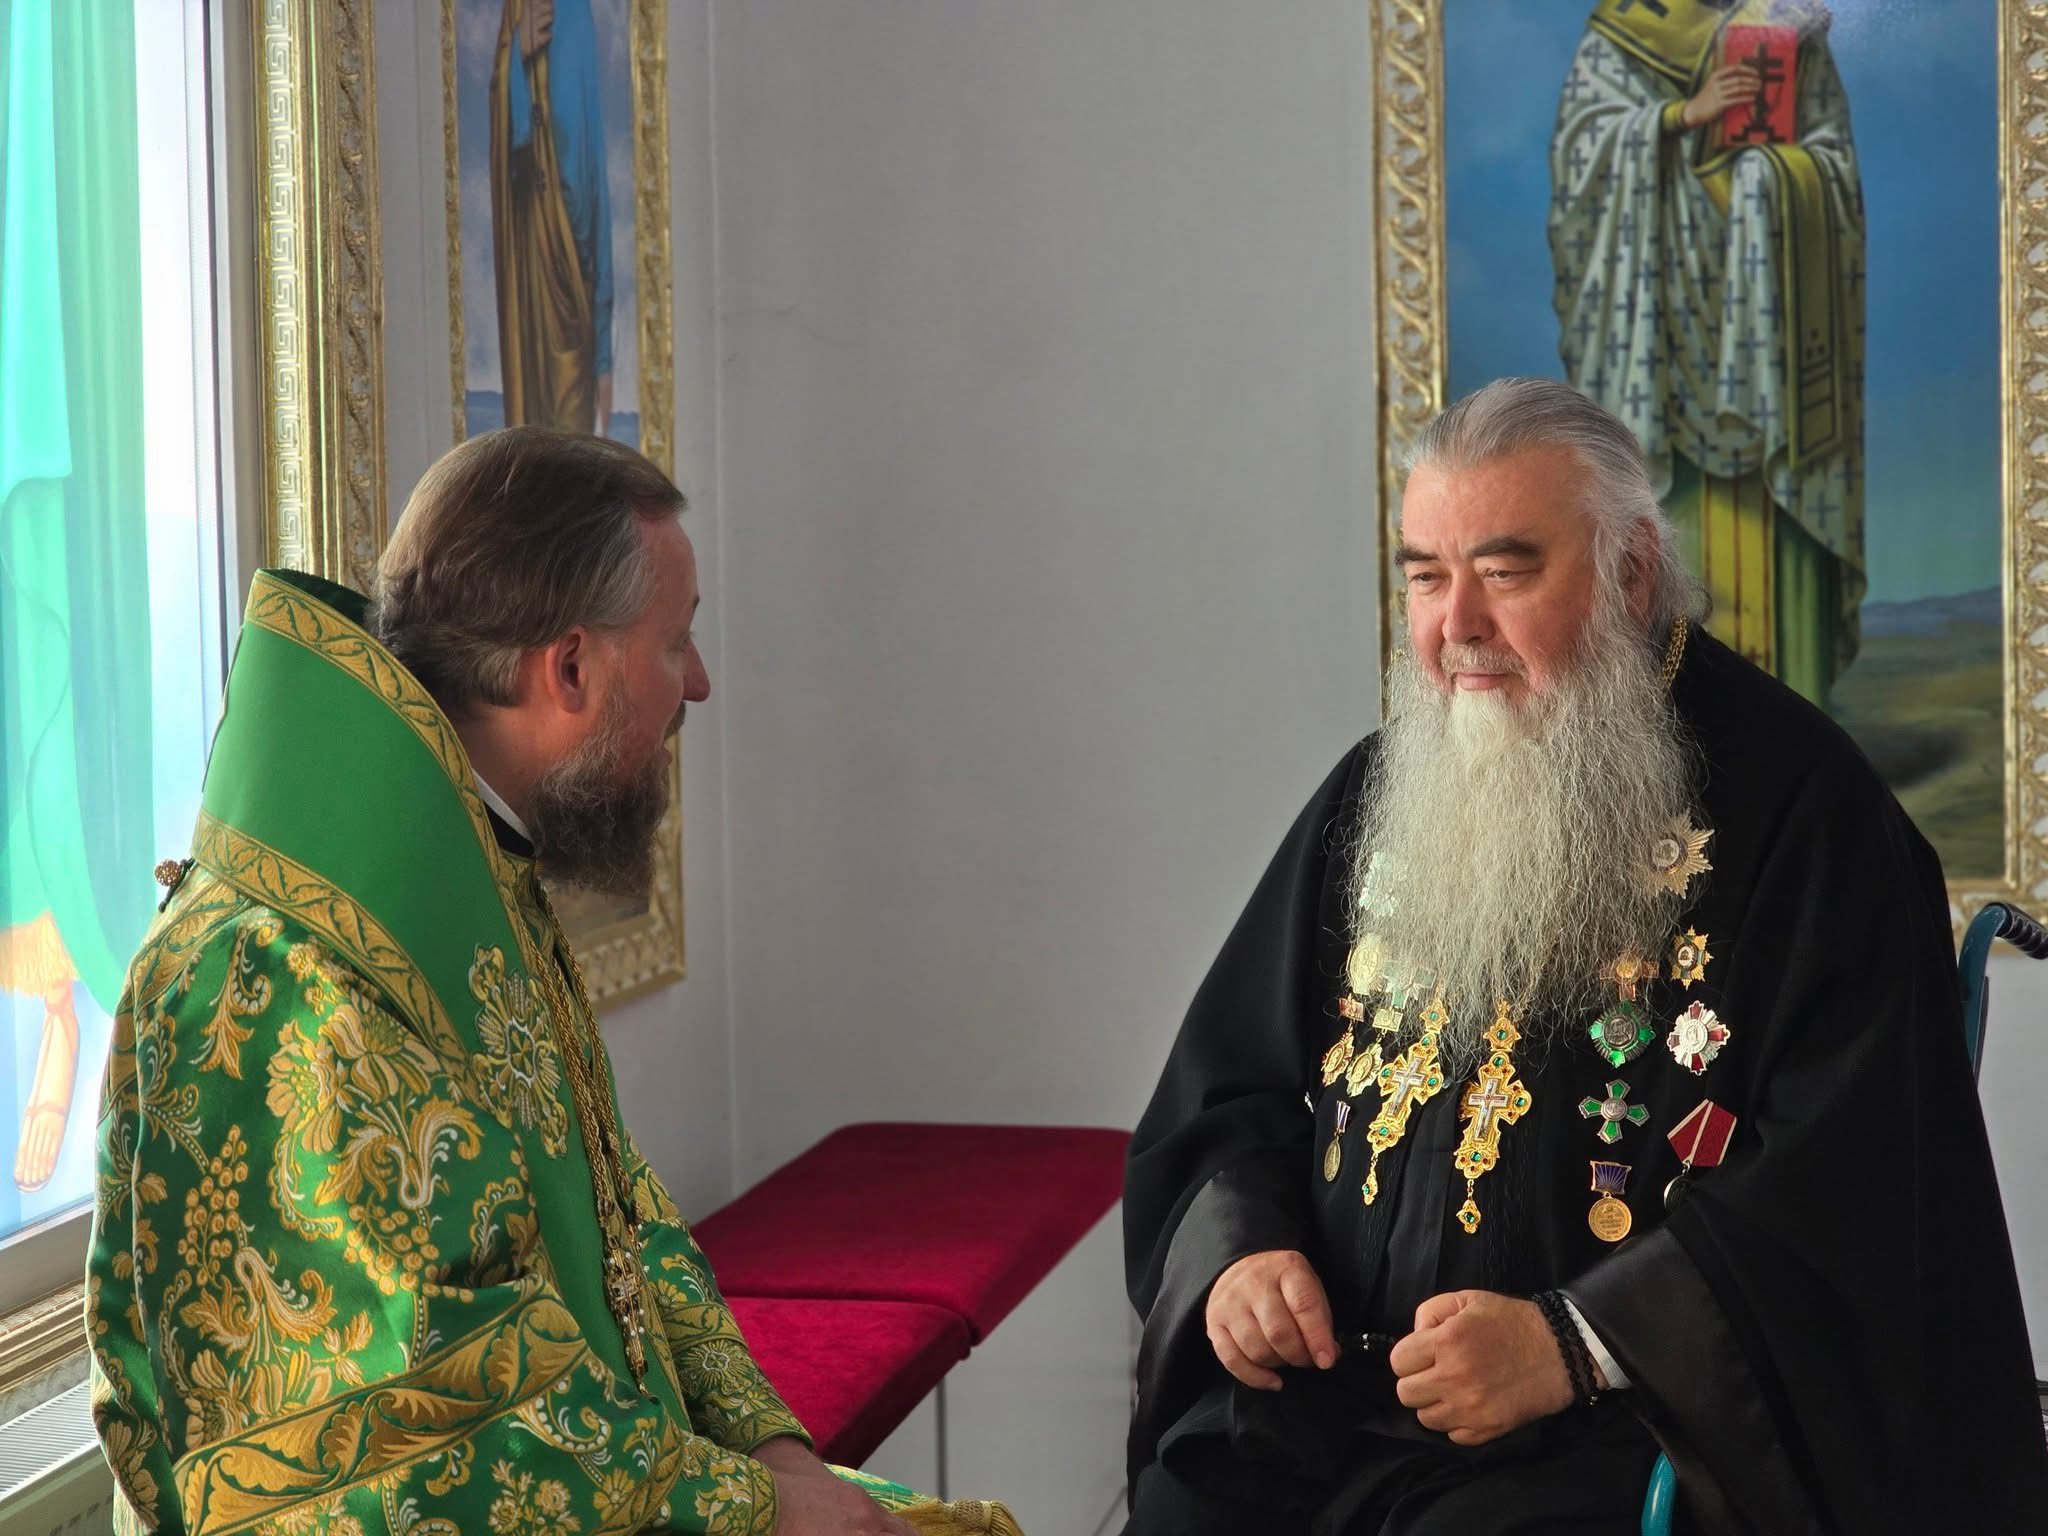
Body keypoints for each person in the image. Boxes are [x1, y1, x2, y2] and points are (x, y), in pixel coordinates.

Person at [1122, 379, 2046, 1534]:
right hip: (1327, 1394)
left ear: (1630, 573)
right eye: (1423, 576)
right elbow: (1223, 1093)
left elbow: (1856, 1185)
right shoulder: (1373, 789)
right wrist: (1245, 1257)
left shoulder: (1806, 819)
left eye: (1503, 573)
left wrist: (1578, 1342)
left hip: (1618, 1430)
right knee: (1187, 1502)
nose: (1454, 626)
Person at [86, 429, 1018, 1536]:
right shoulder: (291, 970)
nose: (700, 683)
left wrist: (772, 1453)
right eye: (677, 641)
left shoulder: (466, 870)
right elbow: (421, 1442)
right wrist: (757, 1511)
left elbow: (618, 1223)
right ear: (570, 668)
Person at [1550, 0, 1863, 704]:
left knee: (1776, 592)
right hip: (1659, 349)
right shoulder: (1624, 33)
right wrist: (1679, 118)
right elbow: (1581, 159)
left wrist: (1764, 183)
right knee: (1658, 533)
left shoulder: (1789, 29)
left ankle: (1789, 718)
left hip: (1773, 355)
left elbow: (1834, 170)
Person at [491, 0, 616, 435]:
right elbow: (511, 139)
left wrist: (604, 353)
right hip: (534, 235)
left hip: (575, 249)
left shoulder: (576, 15)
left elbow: (590, 163)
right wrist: (516, 59)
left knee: (574, 436)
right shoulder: (519, 12)